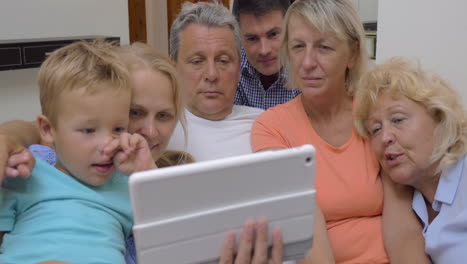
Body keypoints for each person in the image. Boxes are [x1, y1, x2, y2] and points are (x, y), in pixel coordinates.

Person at [0, 40, 283, 264]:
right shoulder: (32, 166)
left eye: (163, 116)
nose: (149, 131)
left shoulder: (156, 187)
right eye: (135, 113)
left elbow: (183, 238)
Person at [251, 0, 388, 263]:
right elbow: (299, 214)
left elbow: (404, 214)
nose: (307, 62)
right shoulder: (272, 126)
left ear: (352, 54)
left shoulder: (376, 112)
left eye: (324, 47)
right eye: (298, 47)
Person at [0, 40, 157, 263]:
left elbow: (174, 232)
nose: (107, 144)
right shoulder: (27, 175)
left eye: (118, 128)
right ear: (47, 129)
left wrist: (147, 171)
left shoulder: (128, 186)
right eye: (89, 130)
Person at [354, 57, 467, 263]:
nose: (385, 137)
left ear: (440, 118)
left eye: (398, 120)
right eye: (376, 129)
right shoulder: (413, 202)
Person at [167, 1, 264, 161]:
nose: (211, 74)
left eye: (223, 61)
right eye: (197, 61)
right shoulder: (157, 132)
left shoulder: (265, 126)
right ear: (174, 68)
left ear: (239, 68)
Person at [232, 0, 300, 109]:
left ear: (289, 27)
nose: (264, 50)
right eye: (252, 39)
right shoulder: (231, 68)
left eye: (273, 34)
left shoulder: (307, 70)